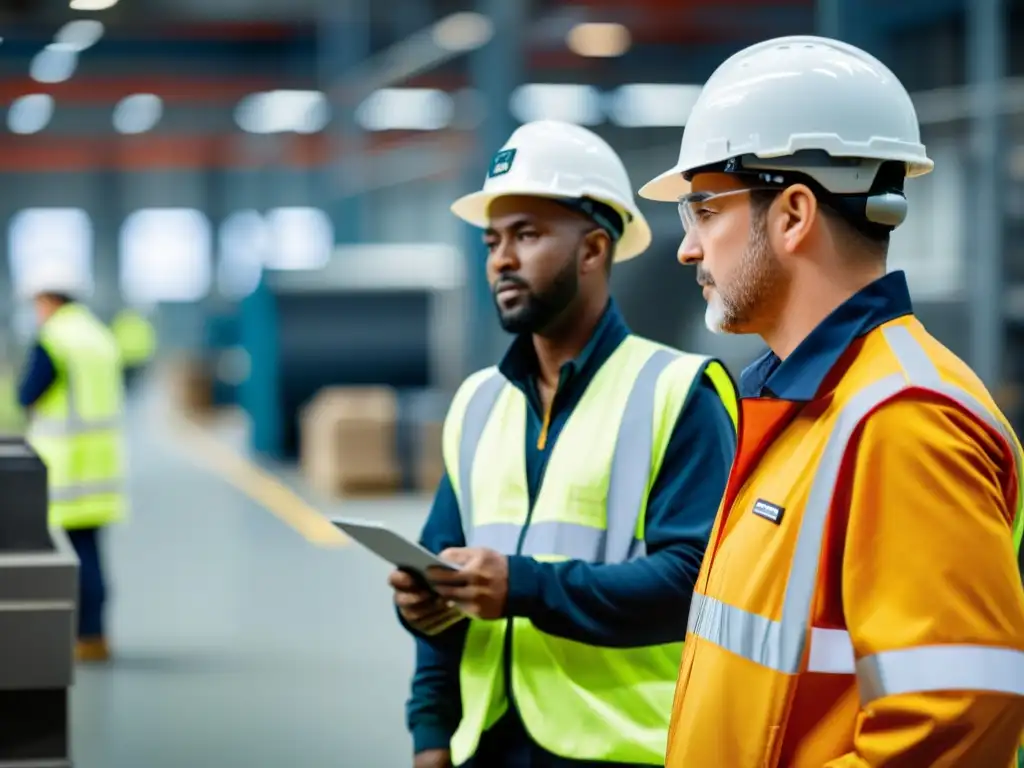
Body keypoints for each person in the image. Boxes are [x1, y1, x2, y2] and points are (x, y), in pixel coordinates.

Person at [636, 34, 1024, 767]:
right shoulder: (803, 402)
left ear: (792, 214)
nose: (688, 248)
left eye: (705, 211)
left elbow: (950, 732)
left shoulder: (906, 419)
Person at [388, 119, 739, 768]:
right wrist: (430, 730)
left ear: (593, 250)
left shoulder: (677, 393)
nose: (501, 258)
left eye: (527, 234)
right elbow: (444, 571)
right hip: (486, 745)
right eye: (493, 239)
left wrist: (522, 587)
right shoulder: (477, 405)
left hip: (621, 749)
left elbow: (696, 586)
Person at [16, 263, 127, 663]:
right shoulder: (98, 335)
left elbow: (27, 393)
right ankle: (94, 635)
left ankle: (75, 636)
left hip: (66, 467)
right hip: (101, 465)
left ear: (47, 299)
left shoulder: (55, 338)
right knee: (90, 552)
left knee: (65, 557)